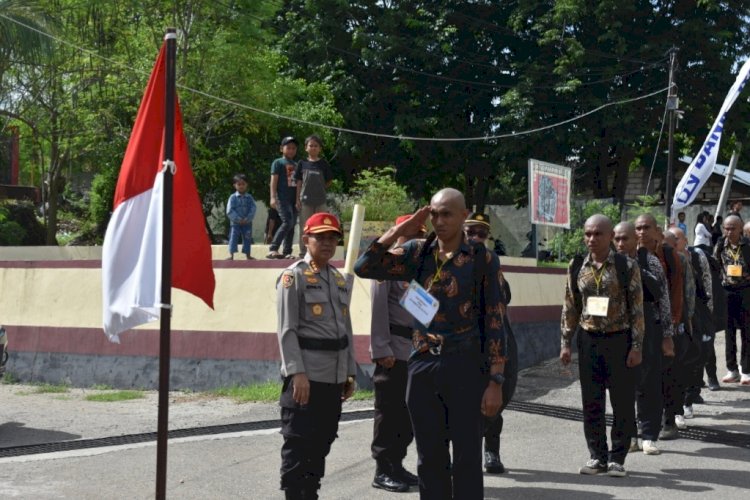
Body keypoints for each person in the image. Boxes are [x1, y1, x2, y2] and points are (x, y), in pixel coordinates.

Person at [354, 188, 506, 499]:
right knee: (429, 457)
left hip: (465, 365)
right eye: (434, 213)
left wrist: (496, 380)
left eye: (447, 213)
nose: (439, 220)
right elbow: (364, 266)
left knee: (466, 457)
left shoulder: (481, 258)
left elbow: (495, 319)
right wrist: (400, 229)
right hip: (422, 365)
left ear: (464, 216)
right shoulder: (417, 252)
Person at [276, 212, 356, 500]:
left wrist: (349, 371)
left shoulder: (337, 278)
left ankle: (310, 494)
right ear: (305, 239)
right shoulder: (293, 277)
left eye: (332, 238)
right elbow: (287, 329)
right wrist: (296, 372)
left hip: (333, 377)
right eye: (319, 237)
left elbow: (345, 328)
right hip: (306, 378)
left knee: (322, 442)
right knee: (299, 445)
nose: (326, 243)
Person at [561, 214, 644, 477]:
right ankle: (597, 456)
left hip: (619, 340)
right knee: (592, 401)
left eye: (597, 234)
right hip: (589, 340)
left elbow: (637, 310)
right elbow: (570, 305)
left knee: (621, 401)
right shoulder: (577, 265)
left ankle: (617, 458)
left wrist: (637, 346)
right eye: (587, 234)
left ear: (610, 236)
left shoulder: (626, 266)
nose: (591, 239)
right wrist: (565, 342)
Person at [368, 215, 425, 493]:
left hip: (415, 352)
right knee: (389, 413)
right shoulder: (386, 267)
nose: (418, 241)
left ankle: (397, 464)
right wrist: (380, 348)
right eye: (413, 235)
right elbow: (378, 309)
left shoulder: (416, 270)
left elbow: (426, 313)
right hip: (392, 350)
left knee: (408, 414)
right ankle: (383, 469)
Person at [463, 212, 518, 474]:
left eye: (481, 234)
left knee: (498, 397)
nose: (475, 238)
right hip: (463, 346)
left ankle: (491, 452)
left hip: (495, 343)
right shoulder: (449, 265)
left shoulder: (492, 264)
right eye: (470, 232)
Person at [613, 221, 672, 456]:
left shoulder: (649, 261)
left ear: (634, 241)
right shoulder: (607, 263)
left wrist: (667, 334)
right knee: (623, 384)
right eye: (616, 239)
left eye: (624, 239)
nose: (620, 244)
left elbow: (663, 297)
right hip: (617, 328)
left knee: (648, 381)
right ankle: (630, 434)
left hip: (648, 326)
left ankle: (648, 434)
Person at [714, 215, 750, 385]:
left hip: (746, 291)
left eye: (732, 228)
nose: (729, 232)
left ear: (740, 228)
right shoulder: (721, 245)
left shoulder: (747, 245)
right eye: (726, 228)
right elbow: (714, 264)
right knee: (729, 331)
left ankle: (746, 370)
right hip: (727, 292)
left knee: (746, 331)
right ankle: (732, 369)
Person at [295, 135, 334, 258]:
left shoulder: (323, 163)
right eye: (310, 145)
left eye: (316, 146)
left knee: (321, 226)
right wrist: (297, 199)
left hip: (321, 201)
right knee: (305, 227)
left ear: (320, 148)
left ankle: (320, 251)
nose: (313, 148)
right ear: (306, 148)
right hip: (305, 201)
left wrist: (319, 189)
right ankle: (303, 252)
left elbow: (329, 181)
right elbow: (299, 182)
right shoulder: (302, 163)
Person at [268, 136, 299, 259]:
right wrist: (272, 197)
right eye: (288, 148)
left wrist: (298, 199)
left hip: (293, 199)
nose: (291, 150)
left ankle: (287, 251)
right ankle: (273, 248)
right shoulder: (278, 162)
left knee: (291, 225)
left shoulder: (296, 164)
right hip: (282, 198)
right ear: (282, 148)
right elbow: (273, 181)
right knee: (287, 222)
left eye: (293, 148)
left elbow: (298, 183)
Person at [226, 173, 257, 260]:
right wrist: (238, 219)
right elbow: (229, 210)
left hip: (247, 222)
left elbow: (253, 208)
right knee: (233, 238)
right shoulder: (232, 198)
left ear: (247, 185)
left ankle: (248, 255)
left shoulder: (250, 198)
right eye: (239, 184)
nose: (241, 186)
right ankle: (231, 255)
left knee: (247, 238)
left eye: (243, 184)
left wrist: (247, 218)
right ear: (234, 185)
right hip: (235, 223)